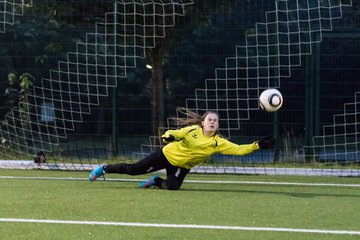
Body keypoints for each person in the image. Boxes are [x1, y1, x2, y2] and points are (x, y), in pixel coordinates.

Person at [89, 108, 275, 190]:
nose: (212, 122)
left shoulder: (218, 142)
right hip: (166, 155)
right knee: (133, 170)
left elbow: (239, 150)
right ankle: (104, 168)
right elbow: (175, 133)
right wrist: (168, 136)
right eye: (209, 119)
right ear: (202, 122)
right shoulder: (193, 130)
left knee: (171, 186)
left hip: (182, 166)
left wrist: (258, 145)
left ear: (218, 126)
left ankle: (156, 181)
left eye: (215, 121)